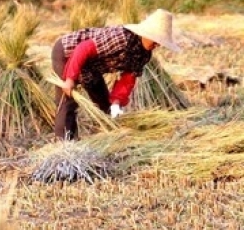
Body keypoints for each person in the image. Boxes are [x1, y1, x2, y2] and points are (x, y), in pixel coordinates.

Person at [52, 8, 181, 140]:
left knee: (105, 103)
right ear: (146, 33)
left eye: (160, 42)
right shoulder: (122, 39)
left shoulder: (144, 55)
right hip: (67, 52)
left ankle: (111, 136)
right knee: (67, 101)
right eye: (156, 39)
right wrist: (69, 79)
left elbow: (128, 79)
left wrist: (116, 102)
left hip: (92, 66)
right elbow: (83, 49)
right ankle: (65, 143)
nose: (157, 44)